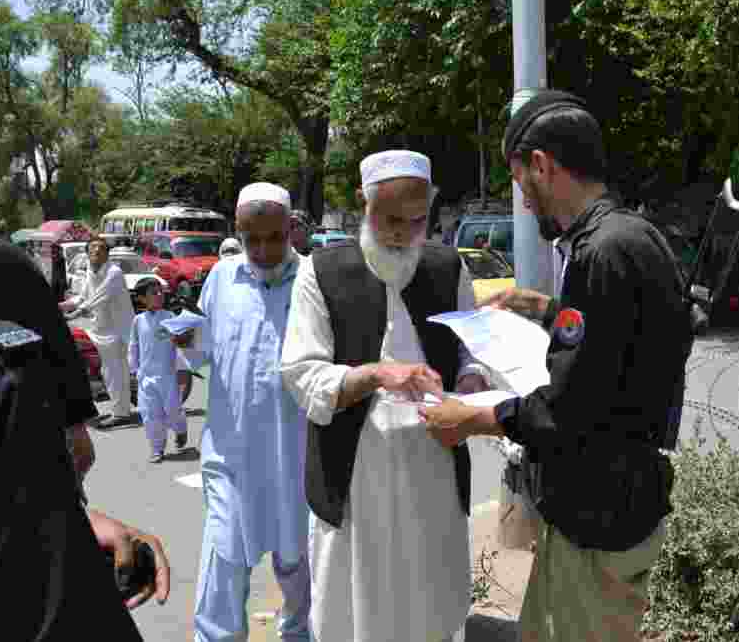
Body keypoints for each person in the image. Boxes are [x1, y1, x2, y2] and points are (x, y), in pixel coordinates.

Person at [419, 90, 694, 642]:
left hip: (598, 517)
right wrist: (544, 310)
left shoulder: (600, 252)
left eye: (522, 184)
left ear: (541, 166)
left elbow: (570, 408)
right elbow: (626, 343)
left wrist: (470, 418)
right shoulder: (631, 236)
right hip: (617, 501)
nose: (524, 201)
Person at [280, 150, 491, 642]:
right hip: (355, 483)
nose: (402, 232)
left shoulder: (446, 266)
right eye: (390, 219)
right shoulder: (322, 271)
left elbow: (472, 354)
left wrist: (471, 382)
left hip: (432, 477)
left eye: (417, 221)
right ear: (363, 203)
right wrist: (376, 374)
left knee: (431, 609)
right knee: (354, 614)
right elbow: (302, 374)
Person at [0, 199, 170, 641]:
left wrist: (66, 519)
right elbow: (75, 450)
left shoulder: (7, 276)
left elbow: (77, 447)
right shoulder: (8, 273)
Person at [182, 182, 311, 642]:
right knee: (224, 554)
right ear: (238, 231)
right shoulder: (221, 277)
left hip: (293, 450)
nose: (263, 249)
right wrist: (185, 344)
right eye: (251, 238)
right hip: (231, 453)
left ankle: (299, 633)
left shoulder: (314, 279)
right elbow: (205, 349)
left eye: (274, 237)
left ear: (291, 229)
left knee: (296, 560)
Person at [59, 236, 136, 425]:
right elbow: (83, 296)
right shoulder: (90, 272)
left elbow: (99, 298)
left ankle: (121, 413)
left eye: (101, 249)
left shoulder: (114, 272)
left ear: (107, 254)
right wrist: (61, 306)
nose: (96, 252)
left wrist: (74, 314)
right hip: (99, 328)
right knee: (99, 366)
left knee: (114, 371)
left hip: (117, 330)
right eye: (92, 249)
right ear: (87, 253)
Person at [128, 278, 190, 463]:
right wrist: (133, 369)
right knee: (150, 414)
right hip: (145, 376)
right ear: (141, 299)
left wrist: (182, 370)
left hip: (168, 375)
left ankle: (180, 429)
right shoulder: (138, 321)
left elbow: (180, 346)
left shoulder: (170, 317)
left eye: (160, 292)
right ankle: (157, 448)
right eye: (153, 293)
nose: (159, 295)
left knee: (172, 409)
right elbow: (133, 346)